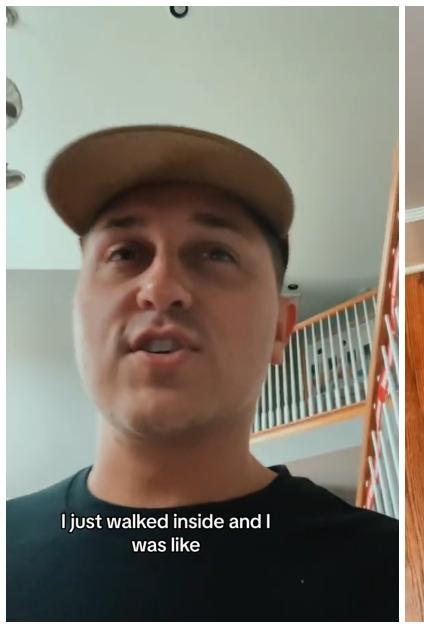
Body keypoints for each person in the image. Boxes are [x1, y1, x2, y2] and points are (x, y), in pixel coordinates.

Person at [6, 126, 398, 621]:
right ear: (78, 310)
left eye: (215, 253)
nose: (161, 286)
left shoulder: (391, 579)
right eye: (125, 252)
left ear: (281, 328)